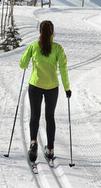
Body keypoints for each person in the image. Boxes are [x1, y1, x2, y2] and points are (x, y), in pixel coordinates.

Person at [19, 20, 71, 162]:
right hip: (52, 87)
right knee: (50, 117)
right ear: (52, 32)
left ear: (40, 32)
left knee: (35, 116)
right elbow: (63, 69)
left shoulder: (33, 47)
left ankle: (33, 142)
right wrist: (67, 88)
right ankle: (50, 148)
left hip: (35, 85)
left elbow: (22, 64)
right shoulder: (58, 48)